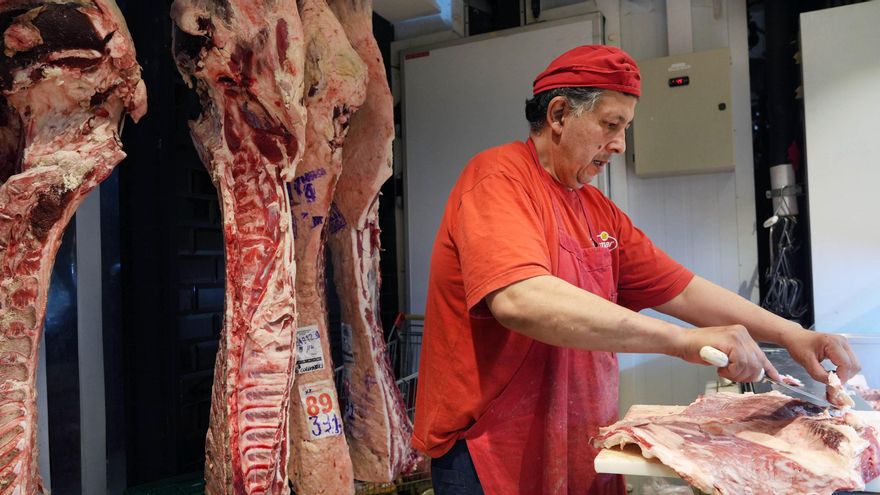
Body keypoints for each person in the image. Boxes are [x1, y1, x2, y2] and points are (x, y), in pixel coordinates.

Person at [411, 45, 861, 495]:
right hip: (492, 451)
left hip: (580, 434)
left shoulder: (596, 209)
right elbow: (521, 299)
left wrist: (791, 333)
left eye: (625, 128)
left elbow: (681, 290)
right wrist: (682, 342)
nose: (620, 144)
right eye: (610, 125)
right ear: (559, 114)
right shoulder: (497, 179)